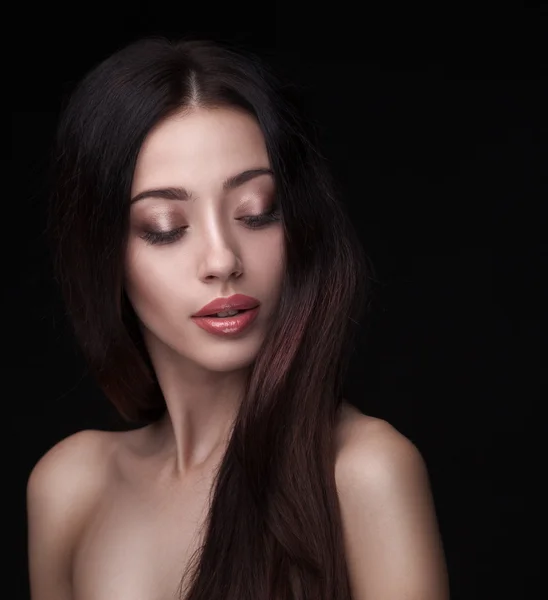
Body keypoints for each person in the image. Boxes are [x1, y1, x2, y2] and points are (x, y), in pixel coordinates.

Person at [26, 36, 449, 600]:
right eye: (165, 226)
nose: (223, 259)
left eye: (257, 213)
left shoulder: (364, 473)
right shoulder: (70, 486)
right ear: (104, 254)